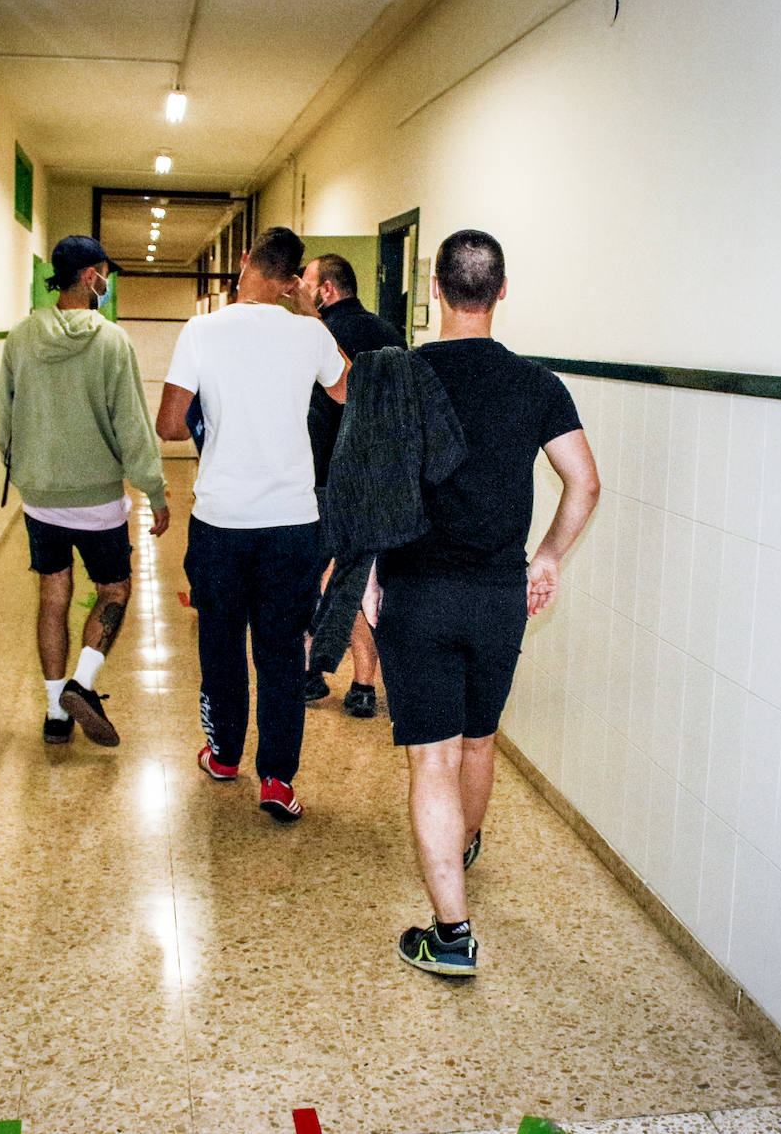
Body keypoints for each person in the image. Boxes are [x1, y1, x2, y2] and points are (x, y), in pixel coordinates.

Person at [370, 229, 599, 975]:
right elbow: (585, 482)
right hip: (499, 595)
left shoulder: (397, 376)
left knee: (430, 760)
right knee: (478, 738)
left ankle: (452, 932)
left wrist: (366, 574)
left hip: (419, 592)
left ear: (434, 289)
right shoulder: (536, 383)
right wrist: (549, 555)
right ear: (501, 291)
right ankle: (460, 848)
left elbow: (373, 489)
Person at [156, 227, 347, 822]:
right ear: (293, 280)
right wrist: (309, 311)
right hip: (292, 521)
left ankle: (224, 755)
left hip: (221, 519)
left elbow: (167, 423)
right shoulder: (312, 332)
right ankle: (278, 781)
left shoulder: (202, 330)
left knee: (221, 643)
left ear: (243, 262)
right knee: (282, 652)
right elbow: (347, 392)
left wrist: (213, 426)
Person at [0, 235, 169, 748]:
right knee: (114, 590)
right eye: (104, 272)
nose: (106, 281)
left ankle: (55, 714)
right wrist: (154, 491)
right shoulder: (112, 342)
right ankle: (81, 684)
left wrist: (22, 469)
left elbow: (3, 420)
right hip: (97, 500)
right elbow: (132, 426)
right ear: (91, 276)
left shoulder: (21, 338)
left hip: (40, 496)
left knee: (54, 595)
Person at [298, 253, 406, 718]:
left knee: (311, 575)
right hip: (379, 478)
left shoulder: (314, 336)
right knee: (360, 575)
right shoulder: (392, 337)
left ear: (325, 290)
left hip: (325, 476)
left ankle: (310, 674)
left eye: (304, 283)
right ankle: (363, 686)